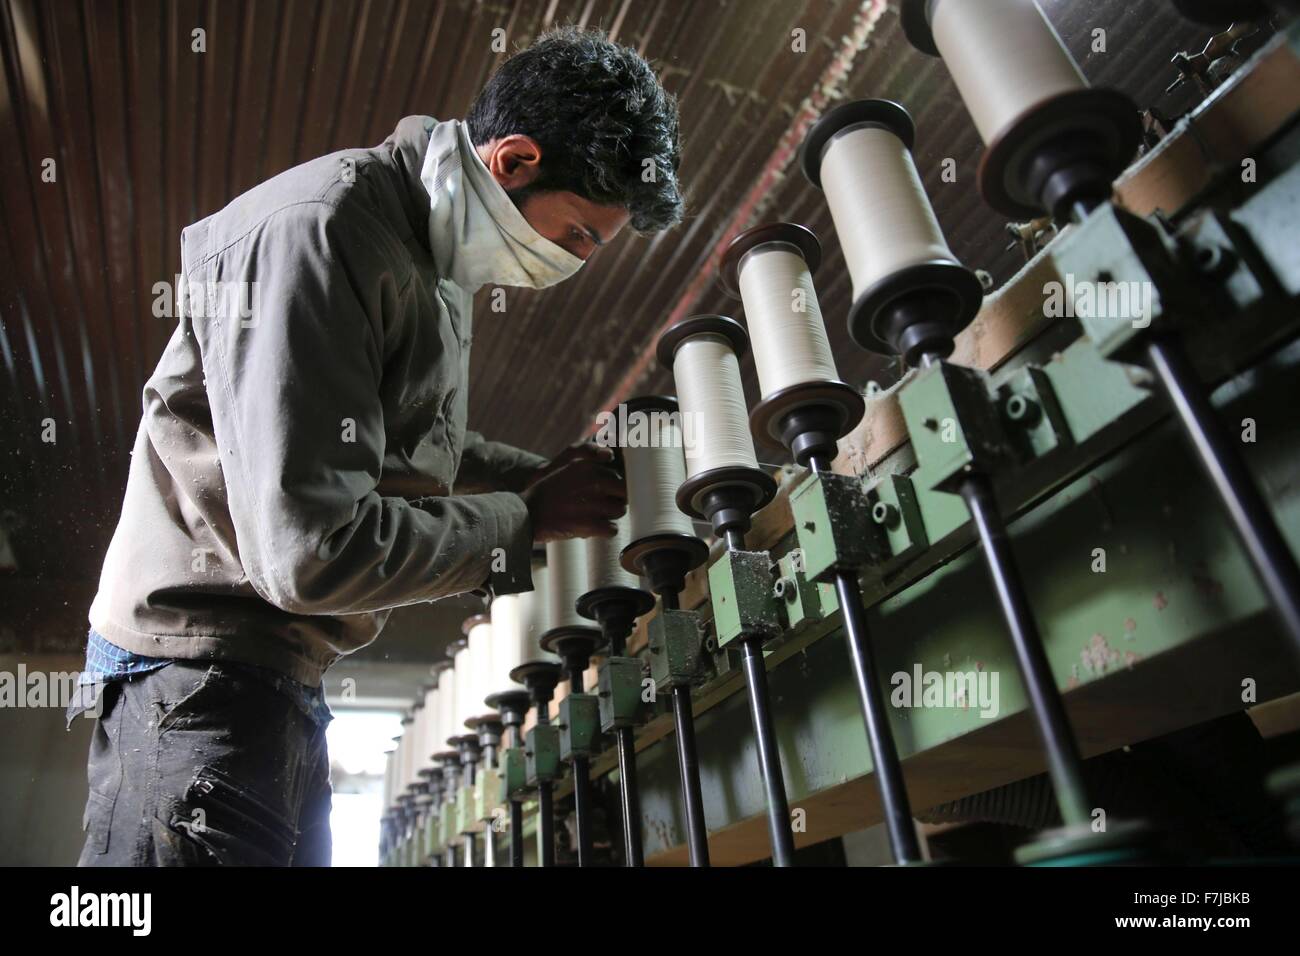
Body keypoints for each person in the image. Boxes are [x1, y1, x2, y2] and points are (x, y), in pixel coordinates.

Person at [69, 26, 684, 866]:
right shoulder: (321, 236)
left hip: (275, 674)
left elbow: (401, 440)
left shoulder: (429, 258)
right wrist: (521, 521)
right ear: (514, 162)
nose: (575, 260)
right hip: (192, 680)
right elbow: (310, 554)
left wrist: (541, 479)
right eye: (580, 234)